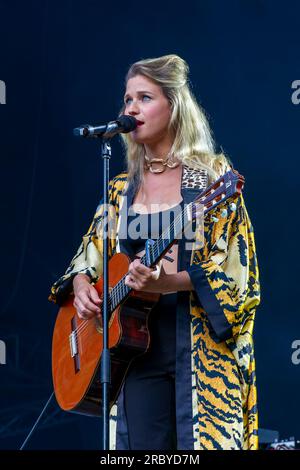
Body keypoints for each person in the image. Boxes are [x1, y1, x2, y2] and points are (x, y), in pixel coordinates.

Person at [49, 54, 261, 450]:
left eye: (144, 97)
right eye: (127, 99)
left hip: (202, 354)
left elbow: (239, 279)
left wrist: (168, 283)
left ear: (174, 105)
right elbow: (87, 259)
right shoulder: (121, 190)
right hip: (133, 354)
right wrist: (81, 286)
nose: (131, 109)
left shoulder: (212, 179)